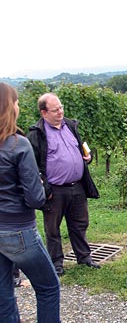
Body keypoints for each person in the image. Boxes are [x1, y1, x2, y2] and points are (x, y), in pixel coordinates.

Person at [0, 83, 83, 323]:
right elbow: (35, 197)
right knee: (48, 288)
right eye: (16, 102)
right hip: (17, 230)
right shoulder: (17, 144)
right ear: (9, 108)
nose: (19, 106)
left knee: (3, 296)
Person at [27, 93, 100, 276]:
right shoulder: (37, 134)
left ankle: (84, 257)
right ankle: (56, 264)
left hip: (77, 186)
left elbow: (81, 146)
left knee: (80, 224)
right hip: (55, 190)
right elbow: (31, 165)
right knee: (53, 228)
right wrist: (44, 187)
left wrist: (87, 157)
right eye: (55, 110)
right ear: (44, 113)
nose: (60, 112)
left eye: (61, 108)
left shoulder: (70, 126)